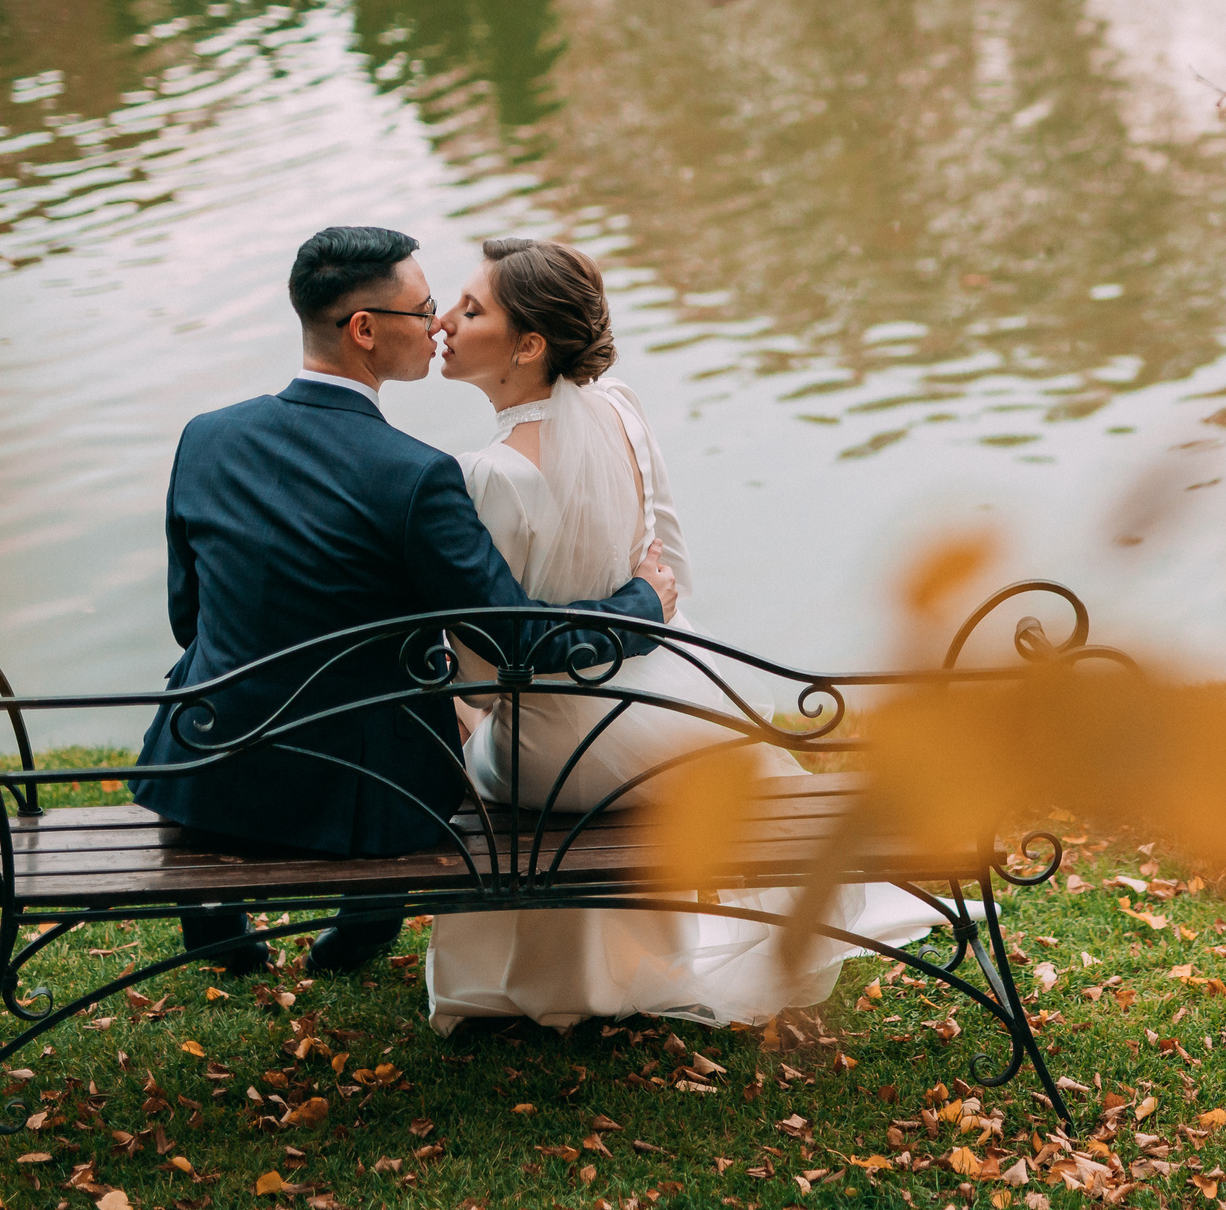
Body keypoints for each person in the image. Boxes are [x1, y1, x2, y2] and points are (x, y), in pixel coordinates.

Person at [423, 237, 942, 1031]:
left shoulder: (490, 473)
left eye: (470, 309)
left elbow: (491, 657)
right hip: (674, 711)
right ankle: (617, 968)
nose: (445, 325)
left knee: (479, 739)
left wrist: (474, 711)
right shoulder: (623, 412)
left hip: (555, 757)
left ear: (528, 345)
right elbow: (672, 574)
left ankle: (550, 979)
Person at [132, 226, 675, 977]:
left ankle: (222, 925)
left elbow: (187, 619)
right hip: (367, 798)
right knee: (414, 713)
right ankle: (358, 932)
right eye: (423, 311)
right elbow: (519, 646)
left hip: (206, 764)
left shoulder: (206, 437)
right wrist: (644, 603)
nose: (439, 324)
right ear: (364, 330)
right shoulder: (417, 476)